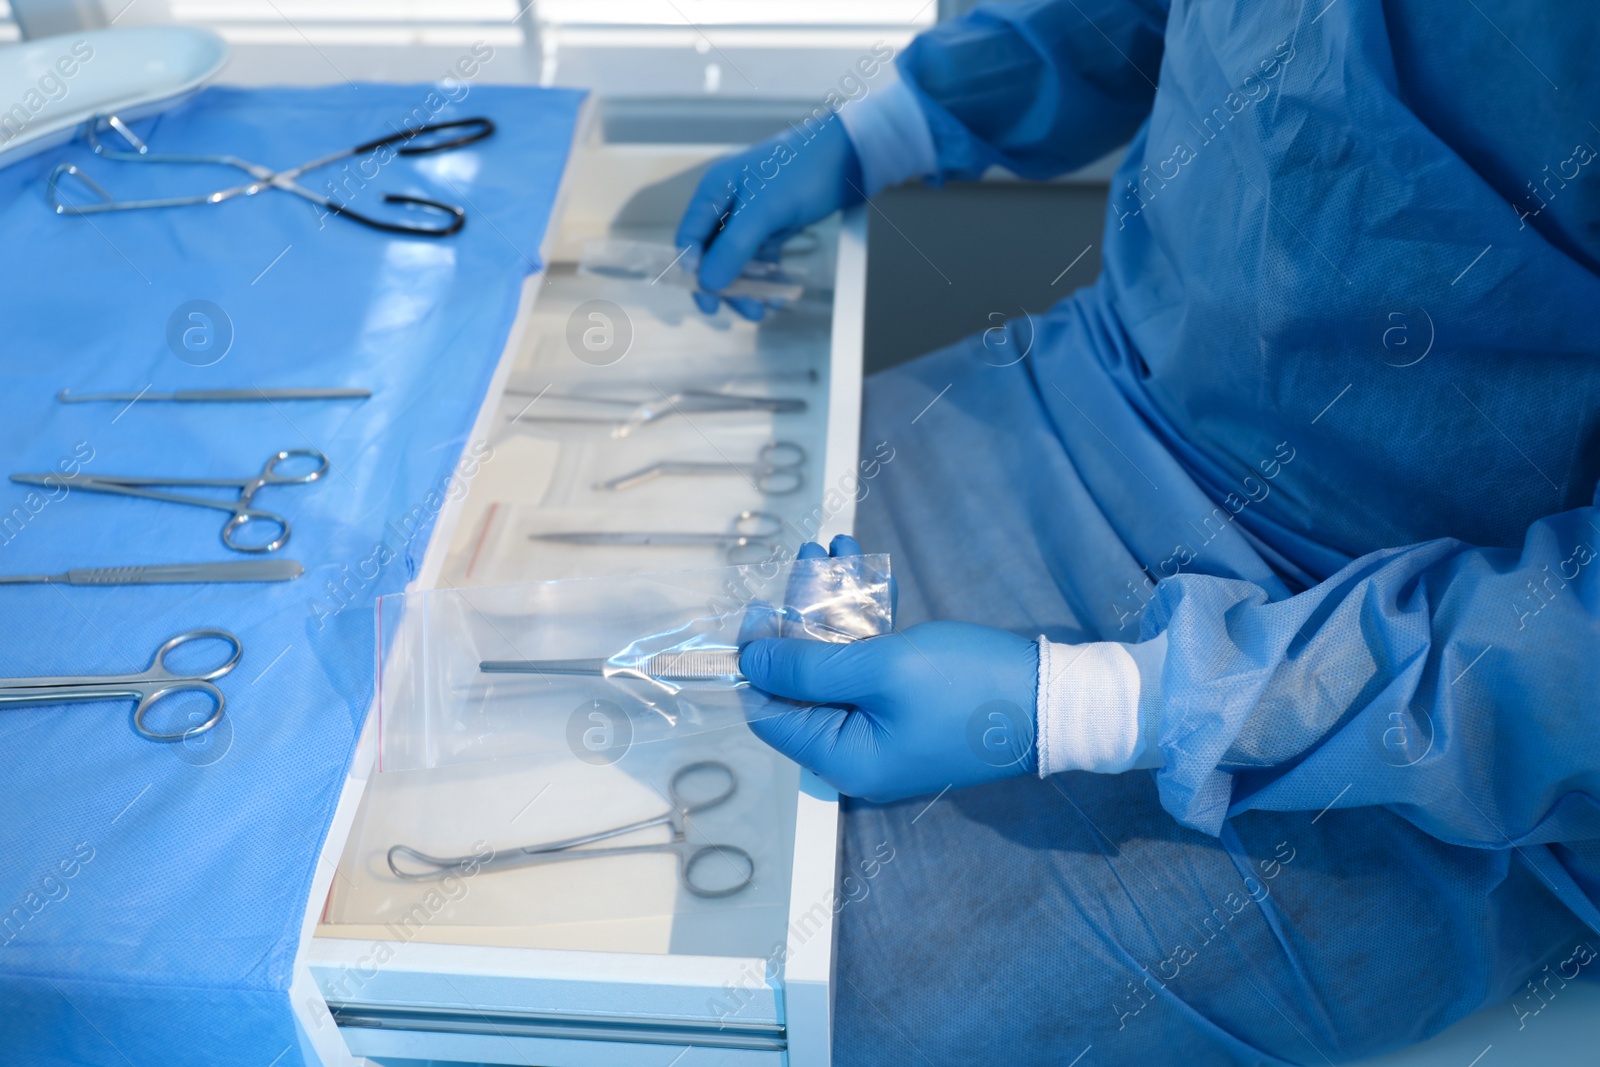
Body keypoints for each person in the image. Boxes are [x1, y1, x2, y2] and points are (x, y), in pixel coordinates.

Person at [676, 1, 1600, 1064]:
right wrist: (888, 128)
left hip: (1413, 715)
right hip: (1106, 385)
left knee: (832, 994)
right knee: (706, 549)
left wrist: (1104, 705)